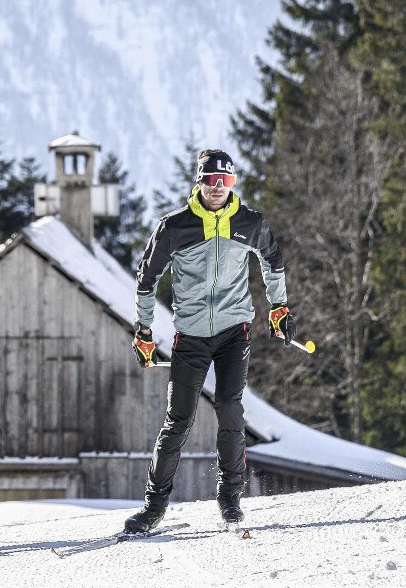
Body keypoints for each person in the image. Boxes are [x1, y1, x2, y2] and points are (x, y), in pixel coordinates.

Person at [124, 148, 292, 534]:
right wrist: (144, 331)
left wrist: (279, 307)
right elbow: (146, 280)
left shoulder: (249, 222)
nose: (218, 187)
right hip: (192, 335)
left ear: (233, 183)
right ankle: (153, 508)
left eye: (226, 180)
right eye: (211, 180)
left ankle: (230, 499)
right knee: (178, 421)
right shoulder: (175, 227)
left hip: (235, 332)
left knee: (230, 410)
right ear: (199, 181)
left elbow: (273, 259)